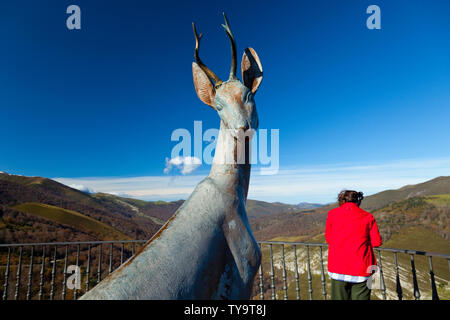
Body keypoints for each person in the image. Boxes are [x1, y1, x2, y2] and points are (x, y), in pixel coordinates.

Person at [325, 190, 382, 300]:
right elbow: (377, 242)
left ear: (341, 200)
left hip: (337, 268)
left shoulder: (332, 214)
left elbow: (329, 238)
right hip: (361, 269)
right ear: (358, 201)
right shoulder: (368, 216)